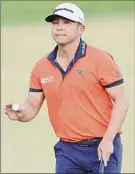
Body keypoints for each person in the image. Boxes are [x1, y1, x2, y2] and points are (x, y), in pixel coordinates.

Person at [4, 2, 129, 173]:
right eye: (55, 23)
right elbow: (32, 106)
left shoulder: (100, 59)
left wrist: (108, 139)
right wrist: (20, 114)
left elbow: (122, 99)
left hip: (102, 145)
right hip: (68, 151)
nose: (59, 28)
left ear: (81, 29)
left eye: (66, 22)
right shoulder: (42, 66)